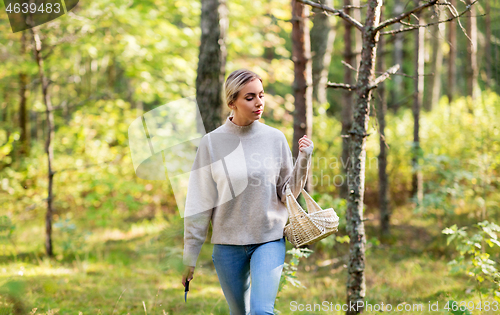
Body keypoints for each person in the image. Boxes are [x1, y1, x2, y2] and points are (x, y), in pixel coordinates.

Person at [181, 69, 314, 314]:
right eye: (250, 97)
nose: (259, 102)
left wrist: (304, 160)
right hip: (227, 245)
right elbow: (199, 203)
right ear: (232, 102)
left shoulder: (275, 138)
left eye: (261, 95)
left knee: (261, 312)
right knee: (239, 313)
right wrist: (190, 256)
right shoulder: (211, 143)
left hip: (268, 239)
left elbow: (288, 193)